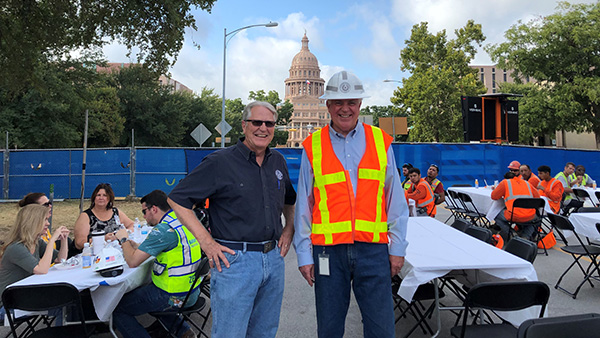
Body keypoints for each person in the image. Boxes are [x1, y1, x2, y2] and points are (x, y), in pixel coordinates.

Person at [293, 70, 409, 338]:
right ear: (328, 105)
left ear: (360, 104)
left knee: (382, 330)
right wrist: (303, 254)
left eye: (352, 102)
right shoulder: (313, 146)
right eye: (338, 103)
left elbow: (395, 201)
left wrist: (398, 247)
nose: (345, 109)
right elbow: (304, 207)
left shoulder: (381, 142)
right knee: (330, 329)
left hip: (373, 251)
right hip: (328, 254)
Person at [167, 101, 296, 338]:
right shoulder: (220, 162)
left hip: (273, 259)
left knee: (265, 333)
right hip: (235, 262)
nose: (263, 128)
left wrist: (289, 229)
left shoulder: (277, 161)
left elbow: (290, 198)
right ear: (244, 125)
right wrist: (206, 242)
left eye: (269, 124)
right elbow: (177, 200)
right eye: (257, 122)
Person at [113, 190, 201, 338]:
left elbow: (133, 262)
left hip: (174, 295)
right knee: (145, 295)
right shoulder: (181, 219)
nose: (143, 216)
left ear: (154, 209)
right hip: (191, 290)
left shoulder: (164, 230)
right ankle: (183, 331)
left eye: (144, 211)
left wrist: (123, 239)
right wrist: (138, 247)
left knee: (116, 309)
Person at [0, 204, 69, 320]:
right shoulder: (16, 248)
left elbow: (60, 260)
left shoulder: (36, 243)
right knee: (64, 305)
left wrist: (64, 240)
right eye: (45, 220)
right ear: (33, 222)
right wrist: (52, 240)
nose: (48, 223)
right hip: (9, 305)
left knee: (67, 300)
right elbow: (41, 270)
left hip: (25, 297)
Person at [73, 183, 134, 250]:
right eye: (98, 195)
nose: (101, 198)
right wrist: (102, 239)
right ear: (94, 198)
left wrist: (124, 233)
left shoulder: (115, 212)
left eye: (105, 195)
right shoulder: (85, 216)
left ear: (109, 198)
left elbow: (132, 225)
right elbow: (79, 243)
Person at [491, 171, 540, 242]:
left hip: (513, 215)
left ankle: (512, 233)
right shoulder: (527, 183)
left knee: (494, 214)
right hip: (530, 215)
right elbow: (537, 197)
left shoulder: (505, 183)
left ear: (505, 178)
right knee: (536, 220)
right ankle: (525, 236)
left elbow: (494, 196)